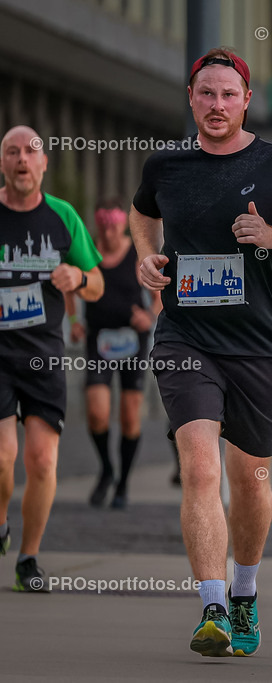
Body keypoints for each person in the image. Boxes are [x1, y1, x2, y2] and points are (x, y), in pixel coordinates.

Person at [130, 48, 272, 656]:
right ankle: (213, 608)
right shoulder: (166, 165)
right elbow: (145, 214)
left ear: (246, 100)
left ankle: (245, 591)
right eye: (206, 94)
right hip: (184, 338)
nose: (216, 105)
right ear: (191, 99)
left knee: (249, 478)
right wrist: (148, 254)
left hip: (256, 345)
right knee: (199, 467)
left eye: (228, 95)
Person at [0, 125, 105, 590]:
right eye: (12, 151)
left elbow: (97, 281)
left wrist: (77, 279)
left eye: (31, 152)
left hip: (43, 353)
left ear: (44, 165)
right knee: (4, 457)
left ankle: (28, 559)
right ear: (3, 163)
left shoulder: (62, 216)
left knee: (42, 462)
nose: (23, 159)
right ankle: (1, 520)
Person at [67, 198, 161, 509]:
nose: (108, 233)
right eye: (103, 226)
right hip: (99, 340)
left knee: (130, 417)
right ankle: (107, 469)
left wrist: (148, 317)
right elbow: (69, 284)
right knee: (96, 412)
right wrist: (74, 320)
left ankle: (122, 483)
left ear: (123, 225)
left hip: (132, 340)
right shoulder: (89, 252)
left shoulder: (136, 255)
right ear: (98, 225)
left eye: (114, 226)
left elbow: (159, 295)